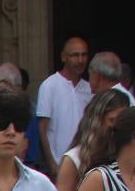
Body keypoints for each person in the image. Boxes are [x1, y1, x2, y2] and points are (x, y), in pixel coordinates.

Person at [37, 37, 93, 174]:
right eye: (75, 55)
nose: (80, 60)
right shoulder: (49, 86)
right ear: (63, 57)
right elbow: (42, 129)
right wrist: (52, 164)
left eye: (84, 55)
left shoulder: (90, 89)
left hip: (85, 165)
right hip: (58, 165)